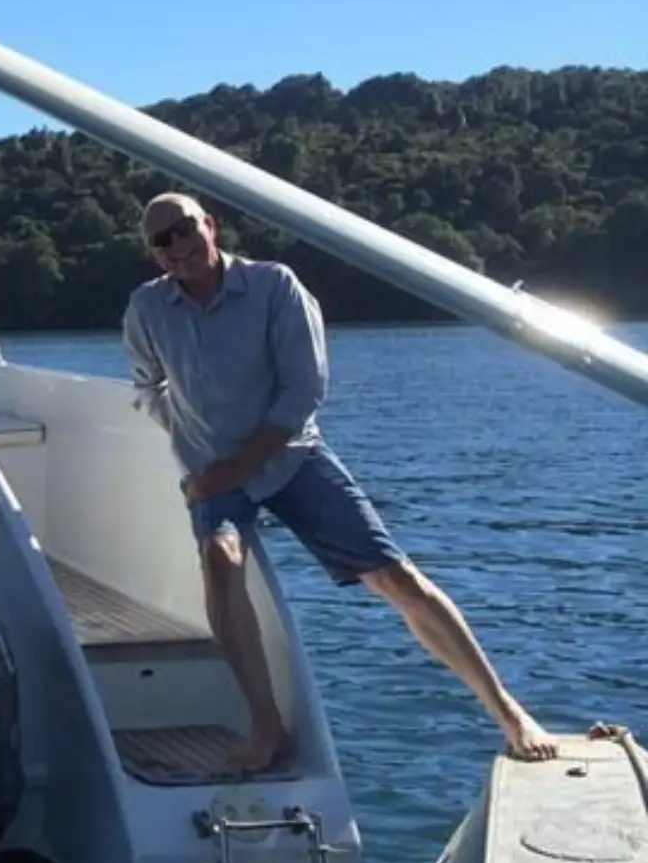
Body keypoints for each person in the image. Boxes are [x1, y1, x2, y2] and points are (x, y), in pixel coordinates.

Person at [121, 192, 557, 772]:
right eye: (161, 240)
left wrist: (234, 465)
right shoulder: (146, 310)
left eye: (183, 229)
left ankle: (508, 712)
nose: (176, 245)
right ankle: (267, 727)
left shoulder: (275, 287)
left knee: (395, 576)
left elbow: (304, 392)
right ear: (153, 255)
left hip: (291, 457)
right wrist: (190, 448)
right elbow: (146, 385)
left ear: (212, 225)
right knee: (220, 559)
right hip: (215, 469)